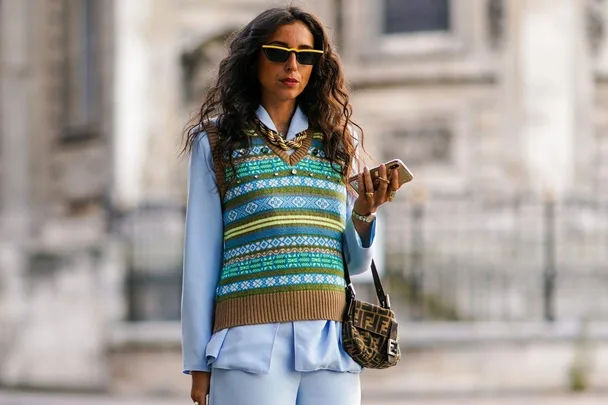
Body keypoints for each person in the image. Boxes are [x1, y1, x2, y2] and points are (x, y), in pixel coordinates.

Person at [180, 6, 403, 405]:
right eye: (278, 52)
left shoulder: (340, 141)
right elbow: (200, 258)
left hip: (331, 343)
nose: (293, 65)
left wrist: (365, 214)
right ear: (253, 59)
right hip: (248, 347)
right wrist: (198, 363)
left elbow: (353, 263)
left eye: (306, 55)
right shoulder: (214, 142)